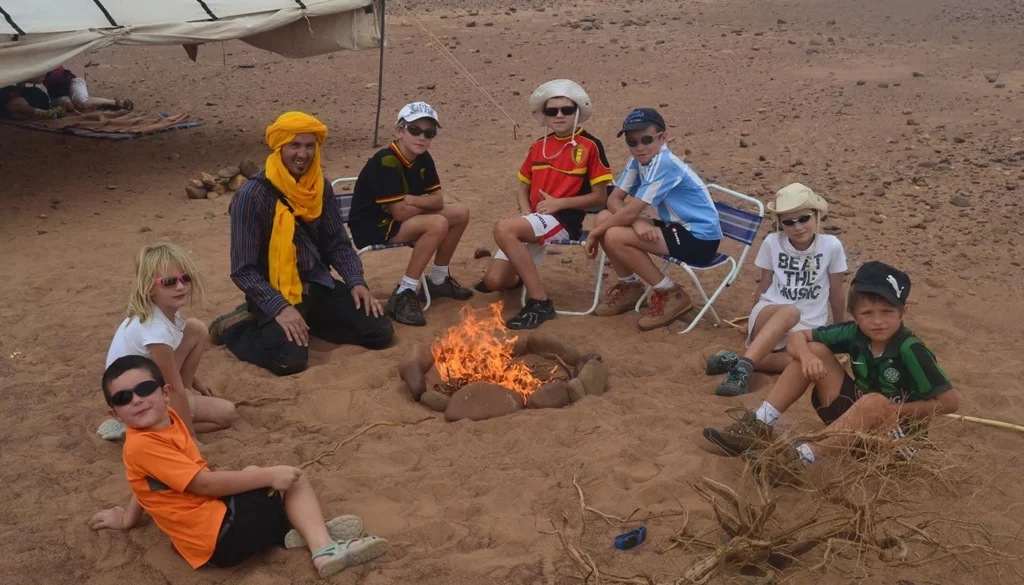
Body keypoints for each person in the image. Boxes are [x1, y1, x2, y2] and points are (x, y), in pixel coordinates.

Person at [90, 356, 388, 577]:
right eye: (124, 398)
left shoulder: (167, 422)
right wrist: (271, 475)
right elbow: (203, 485)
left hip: (212, 538)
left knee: (253, 475)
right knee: (290, 478)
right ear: (114, 413)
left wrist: (128, 518)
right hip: (220, 538)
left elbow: (143, 483)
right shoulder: (144, 444)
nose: (138, 400)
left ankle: (287, 529)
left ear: (165, 393)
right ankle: (324, 548)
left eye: (144, 389)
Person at [702, 261, 960, 480]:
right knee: (814, 350)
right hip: (854, 427)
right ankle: (759, 425)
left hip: (894, 442)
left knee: (873, 402)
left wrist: (892, 411)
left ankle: (798, 460)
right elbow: (796, 337)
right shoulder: (854, 332)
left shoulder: (910, 349)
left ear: (904, 311)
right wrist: (805, 357)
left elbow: (949, 402)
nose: (877, 320)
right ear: (854, 314)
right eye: (867, 312)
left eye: (887, 311)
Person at [209, 112, 394, 376]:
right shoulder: (251, 196)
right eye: (294, 145)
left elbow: (337, 243)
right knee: (290, 360)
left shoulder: (319, 186)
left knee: (379, 331)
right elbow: (243, 270)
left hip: (316, 285)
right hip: (273, 292)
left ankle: (306, 322)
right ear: (280, 147)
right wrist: (280, 307)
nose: (302, 154)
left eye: (309, 146)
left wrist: (356, 281)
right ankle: (235, 327)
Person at [477, 79, 613, 330]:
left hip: (564, 221)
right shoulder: (538, 146)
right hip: (534, 220)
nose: (559, 115)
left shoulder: (590, 146)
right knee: (494, 281)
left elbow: (600, 197)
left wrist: (560, 203)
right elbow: (523, 186)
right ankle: (519, 273)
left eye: (566, 110)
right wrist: (525, 212)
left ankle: (540, 301)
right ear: (545, 115)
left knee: (503, 229)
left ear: (577, 112)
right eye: (552, 111)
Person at [705, 184, 848, 397]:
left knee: (808, 363)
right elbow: (763, 284)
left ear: (817, 216)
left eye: (804, 219)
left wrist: (840, 329)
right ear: (780, 224)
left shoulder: (831, 246)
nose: (798, 227)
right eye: (789, 222)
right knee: (790, 311)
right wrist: (751, 320)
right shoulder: (772, 242)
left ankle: (738, 361)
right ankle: (742, 372)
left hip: (808, 327)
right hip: (772, 313)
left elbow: (837, 291)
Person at [586, 108, 722, 331]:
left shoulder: (663, 162)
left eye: (646, 140)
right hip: (678, 228)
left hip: (700, 239)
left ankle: (671, 293)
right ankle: (630, 287)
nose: (639, 147)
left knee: (613, 234)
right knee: (603, 218)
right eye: (632, 142)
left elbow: (628, 210)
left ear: (663, 137)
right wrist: (636, 221)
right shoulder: (639, 160)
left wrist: (595, 234)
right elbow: (614, 198)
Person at [348, 102, 473, 326]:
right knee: (437, 223)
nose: (422, 137)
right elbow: (400, 213)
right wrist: (423, 204)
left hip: (397, 219)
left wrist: (412, 200)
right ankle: (405, 291)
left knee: (460, 213)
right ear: (399, 131)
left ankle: (437, 280)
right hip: (373, 226)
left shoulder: (423, 157)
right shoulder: (386, 160)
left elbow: (438, 200)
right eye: (414, 130)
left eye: (429, 133)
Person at [102, 243, 235, 441]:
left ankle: (175, 410)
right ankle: (163, 426)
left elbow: (168, 365)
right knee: (227, 414)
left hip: (138, 382)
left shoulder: (160, 311)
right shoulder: (156, 330)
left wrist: (196, 383)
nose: (180, 286)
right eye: (169, 282)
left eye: (185, 278)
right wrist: (190, 439)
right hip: (137, 397)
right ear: (149, 288)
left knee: (196, 329)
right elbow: (172, 385)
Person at [42, 66, 133, 113]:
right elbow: (37, 79)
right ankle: (97, 105)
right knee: (71, 107)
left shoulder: (54, 58)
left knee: (83, 103)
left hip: (72, 82)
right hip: (56, 93)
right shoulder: (37, 65)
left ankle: (113, 102)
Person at [0, 78, 66, 120]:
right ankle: (46, 113)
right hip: (33, 97)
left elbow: (15, 93)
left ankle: (44, 113)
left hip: (31, 96)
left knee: (12, 107)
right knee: (14, 113)